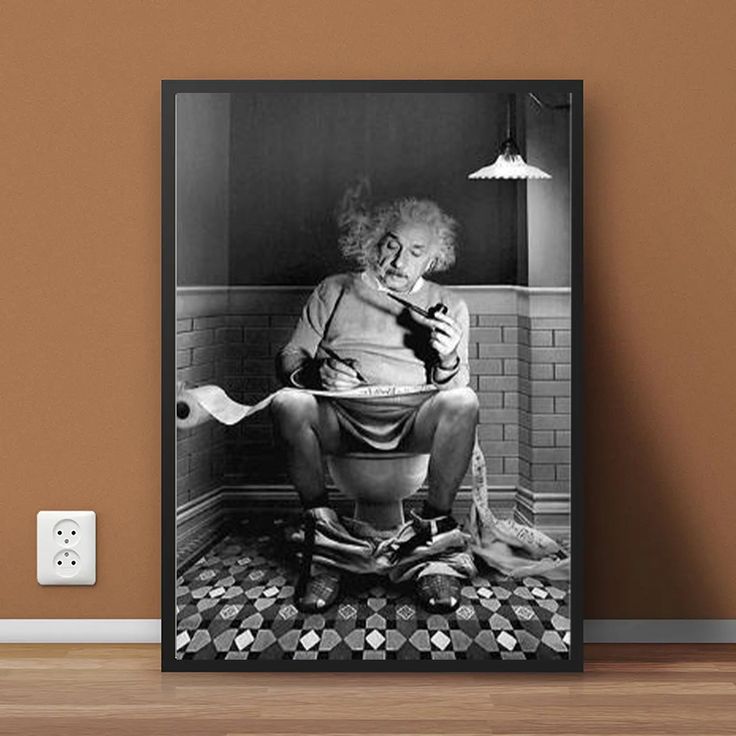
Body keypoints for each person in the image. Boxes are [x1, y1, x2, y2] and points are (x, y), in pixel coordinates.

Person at [271, 197, 479, 614]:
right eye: (391, 244)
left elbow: (453, 385)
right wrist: (315, 374)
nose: (399, 260)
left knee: (463, 400)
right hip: (340, 419)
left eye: (416, 252)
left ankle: (433, 546)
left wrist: (447, 356)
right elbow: (289, 359)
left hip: (410, 423)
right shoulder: (335, 289)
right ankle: (326, 545)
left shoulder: (450, 304)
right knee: (287, 402)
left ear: (434, 259)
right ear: (374, 244)